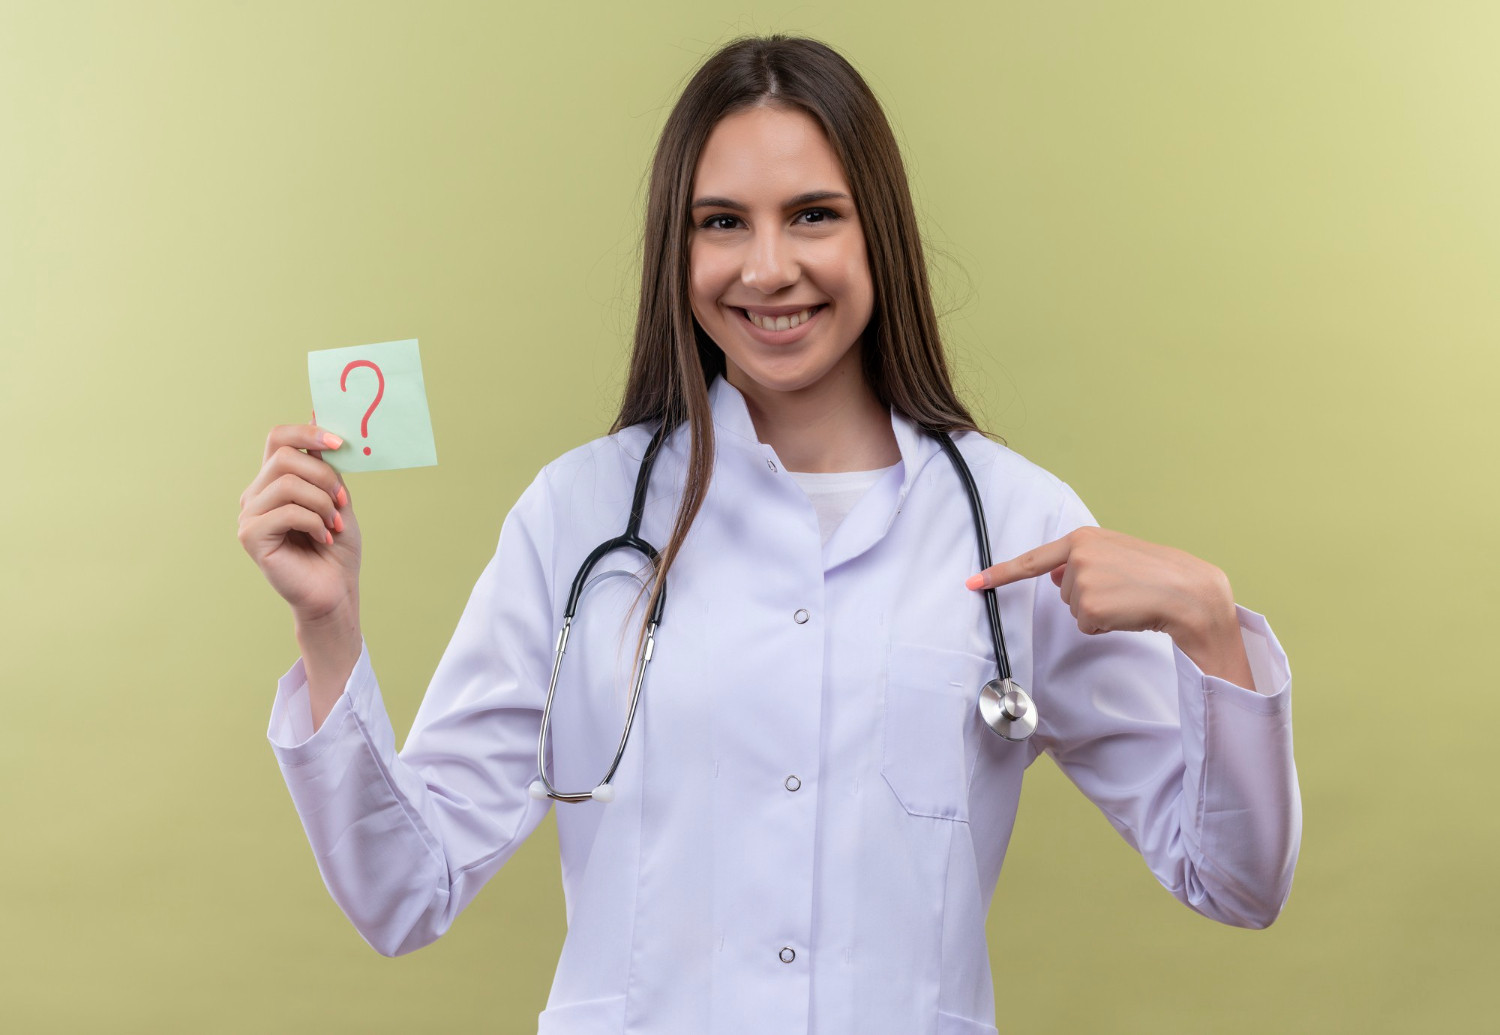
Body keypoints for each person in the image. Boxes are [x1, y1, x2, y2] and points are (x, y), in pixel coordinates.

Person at [237, 35, 1299, 1034]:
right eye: (722, 222)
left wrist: (1210, 629)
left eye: (813, 215)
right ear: (677, 246)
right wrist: (328, 633)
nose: (767, 268)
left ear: (876, 231)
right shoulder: (580, 517)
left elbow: (1237, 881)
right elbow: (403, 893)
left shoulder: (1018, 525)